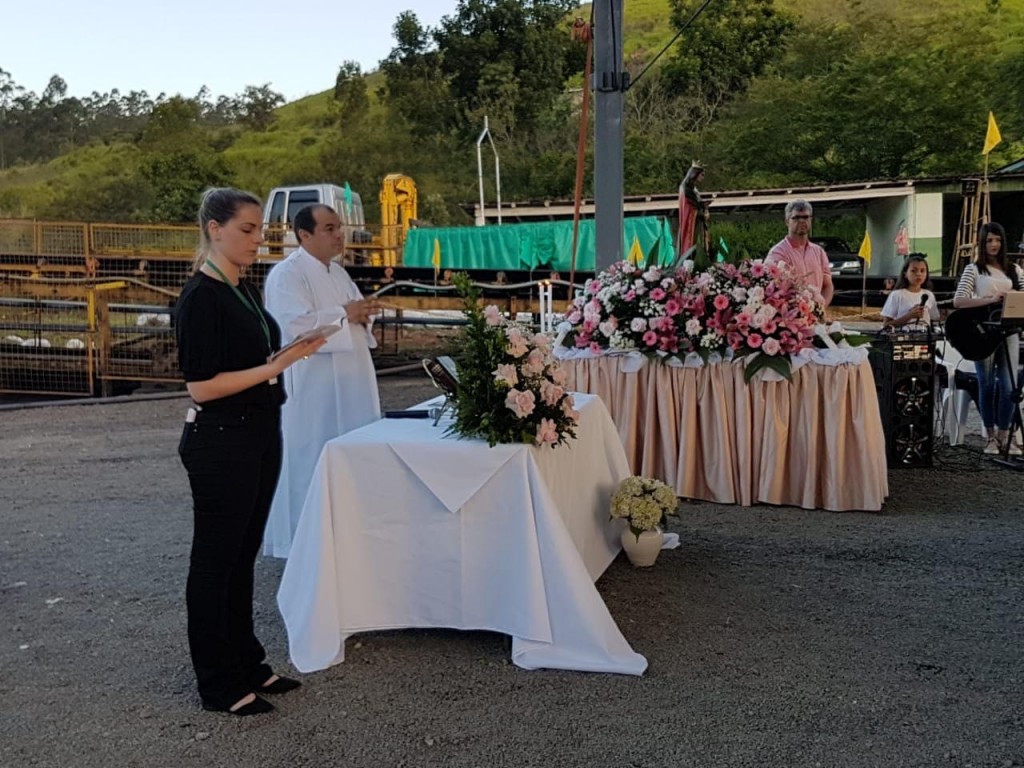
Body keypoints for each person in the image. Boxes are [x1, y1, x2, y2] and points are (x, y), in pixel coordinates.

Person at [175, 187, 325, 716]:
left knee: (242, 556)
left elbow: (250, 361)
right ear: (215, 229)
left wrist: (287, 354)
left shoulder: (241, 288)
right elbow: (201, 385)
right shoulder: (201, 297)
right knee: (216, 561)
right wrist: (276, 366)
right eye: (247, 229)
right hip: (222, 439)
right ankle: (217, 683)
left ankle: (247, 662)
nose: (258, 239)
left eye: (260, 229)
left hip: (258, 431)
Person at [262, 204, 382, 558]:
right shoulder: (287, 275)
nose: (339, 235)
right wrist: (345, 314)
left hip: (351, 380)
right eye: (329, 228)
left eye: (339, 227)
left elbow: (356, 315)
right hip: (313, 388)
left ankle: (346, 539)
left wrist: (363, 315)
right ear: (304, 235)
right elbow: (294, 326)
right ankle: (303, 546)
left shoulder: (339, 273)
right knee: (309, 460)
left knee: (351, 459)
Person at [953, 221, 1024, 456]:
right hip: (983, 331)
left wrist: (1012, 298)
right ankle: (990, 436)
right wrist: (990, 299)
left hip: (1009, 329)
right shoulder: (974, 269)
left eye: (998, 240)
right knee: (986, 383)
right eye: (990, 240)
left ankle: (1006, 434)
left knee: (1009, 384)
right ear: (982, 243)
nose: (994, 245)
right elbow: (959, 301)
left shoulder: (1014, 269)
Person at [765, 200, 834, 306]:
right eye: (796, 217)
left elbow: (827, 285)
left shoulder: (819, 252)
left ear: (811, 220)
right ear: (787, 221)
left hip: (815, 314)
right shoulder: (778, 253)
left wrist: (821, 308)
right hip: (789, 314)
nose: (801, 221)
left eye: (805, 217)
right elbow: (773, 289)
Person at [881, 255, 939, 332]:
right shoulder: (897, 295)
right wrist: (910, 315)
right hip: (902, 336)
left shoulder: (929, 295)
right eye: (913, 271)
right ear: (905, 273)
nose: (918, 274)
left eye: (922, 271)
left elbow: (934, 319)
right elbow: (886, 325)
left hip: (924, 337)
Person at [677, 162, 708, 259]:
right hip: (691, 220)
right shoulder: (686, 188)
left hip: (696, 220)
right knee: (691, 242)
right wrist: (702, 209)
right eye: (702, 175)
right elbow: (691, 205)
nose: (703, 177)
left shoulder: (692, 188)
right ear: (695, 174)